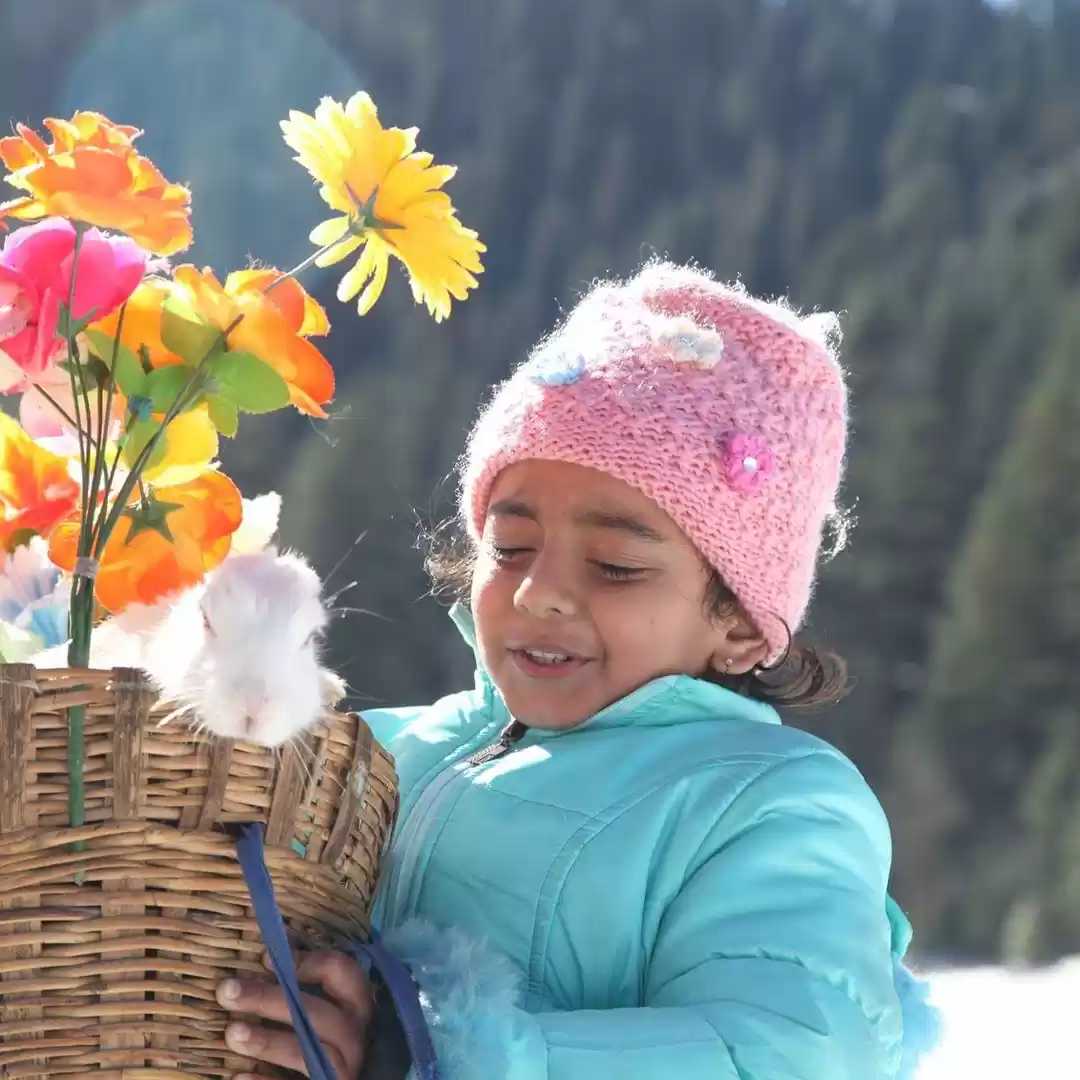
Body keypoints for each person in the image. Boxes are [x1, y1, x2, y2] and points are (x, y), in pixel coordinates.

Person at [216, 260, 941, 1079]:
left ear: (739, 625)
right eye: (510, 546)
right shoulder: (378, 752)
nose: (539, 591)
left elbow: (786, 1054)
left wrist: (426, 1053)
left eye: (616, 566)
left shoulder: (769, 805)